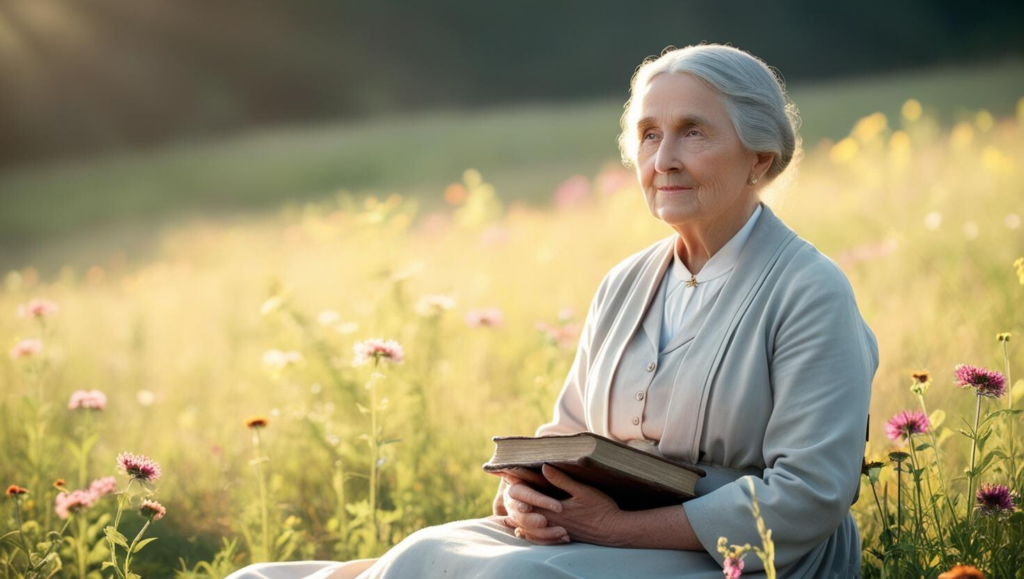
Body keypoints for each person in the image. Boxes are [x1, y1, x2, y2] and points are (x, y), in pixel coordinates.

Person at [228, 42, 878, 579]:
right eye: (649, 135)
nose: (663, 160)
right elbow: (566, 438)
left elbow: (810, 495)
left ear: (759, 156)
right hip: (597, 536)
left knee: (508, 578)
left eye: (693, 132)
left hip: (749, 559)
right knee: (305, 572)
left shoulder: (809, 290)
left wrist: (618, 528)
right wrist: (528, 496)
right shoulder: (624, 283)